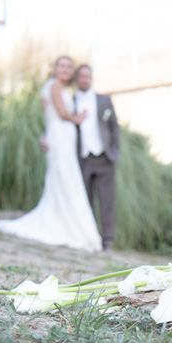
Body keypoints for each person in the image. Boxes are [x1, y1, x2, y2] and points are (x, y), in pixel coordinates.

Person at [0, 56, 102, 252]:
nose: (66, 69)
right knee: (66, 179)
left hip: (59, 137)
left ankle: (65, 223)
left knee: (63, 179)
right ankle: (70, 227)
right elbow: (61, 114)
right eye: (62, 66)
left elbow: (49, 118)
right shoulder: (54, 86)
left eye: (69, 67)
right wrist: (77, 118)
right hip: (60, 137)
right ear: (54, 68)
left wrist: (47, 134)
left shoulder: (59, 88)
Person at [74, 64, 120, 251]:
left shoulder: (104, 100)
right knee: (85, 200)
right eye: (81, 76)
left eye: (88, 76)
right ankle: (90, 237)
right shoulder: (71, 101)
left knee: (107, 200)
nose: (85, 79)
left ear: (91, 78)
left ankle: (107, 241)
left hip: (104, 157)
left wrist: (115, 151)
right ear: (77, 79)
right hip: (83, 158)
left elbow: (114, 127)